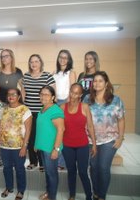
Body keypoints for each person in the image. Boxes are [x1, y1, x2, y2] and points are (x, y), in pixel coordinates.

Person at [83, 71, 125, 200]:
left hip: (109, 140)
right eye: (95, 81)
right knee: (94, 167)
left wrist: (120, 137)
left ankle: (102, 196)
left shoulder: (116, 100)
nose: (97, 83)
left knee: (103, 167)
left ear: (106, 84)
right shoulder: (86, 99)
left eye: (100, 81)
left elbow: (121, 119)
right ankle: (95, 192)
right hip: (91, 140)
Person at [60, 83, 97, 200]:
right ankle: (72, 195)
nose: (72, 95)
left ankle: (89, 196)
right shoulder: (62, 107)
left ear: (80, 95)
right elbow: (59, 128)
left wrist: (94, 145)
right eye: (71, 92)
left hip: (82, 145)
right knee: (71, 171)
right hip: (67, 145)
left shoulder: (85, 107)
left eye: (76, 93)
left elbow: (90, 127)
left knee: (82, 172)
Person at [21, 54, 55, 171]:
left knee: (41, 137)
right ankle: (33, 161)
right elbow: (23, 94)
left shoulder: (47, 76)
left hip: (43, 112)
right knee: (30, 137)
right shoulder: (26, 76)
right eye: (31, 62)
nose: (34, 64)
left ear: (41, 62)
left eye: (36, 61)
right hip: (29, 112)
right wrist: (23, 109)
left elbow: (52, 93)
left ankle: (42, 163)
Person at [0, 88, 32, 200]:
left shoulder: (25, 110)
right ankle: (9, 187)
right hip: (4, 146)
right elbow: (0, 127)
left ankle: (21, 190)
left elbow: (28, 130)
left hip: (18, 146)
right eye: (9, 94)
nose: (11, 96)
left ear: (19, 96)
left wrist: (24, 147)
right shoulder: (4, 110)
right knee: (6, 168)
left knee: (19, 168)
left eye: (14, 94)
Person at [0, 49, 23, 167]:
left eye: (6, 56)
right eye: (2, 56)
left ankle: (12, 156)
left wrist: (23, 104)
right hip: (0, 104)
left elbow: (23, 88)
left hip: (13, 105)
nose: (4, 58)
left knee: (11, 130)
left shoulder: (18, 71)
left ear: (11, 57)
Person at [34, 86, 64, 200]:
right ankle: (48, 193)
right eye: (41, 94)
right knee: (48, 173)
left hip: (51, 149)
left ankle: (52, 197)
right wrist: (36, 144)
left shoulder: (56, 110)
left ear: (53, 97)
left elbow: (61, 130)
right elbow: (41, 129)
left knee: (52, 174)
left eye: (46, 94)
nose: (43, 96)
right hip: (43, 147)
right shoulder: (42, 109)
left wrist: (56, 150)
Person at [53, 49, 76, 170]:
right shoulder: (54, 73)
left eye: (65, 57)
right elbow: (53, 90)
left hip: (67, 103)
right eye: (61, 57)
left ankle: (63, 163)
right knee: (57, 132)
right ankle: (57, 160)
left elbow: (73, 90)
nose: (63, 59)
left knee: (65, 132)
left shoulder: (71, 73)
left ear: (69, 60)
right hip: (56, 103)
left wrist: (67, 103)